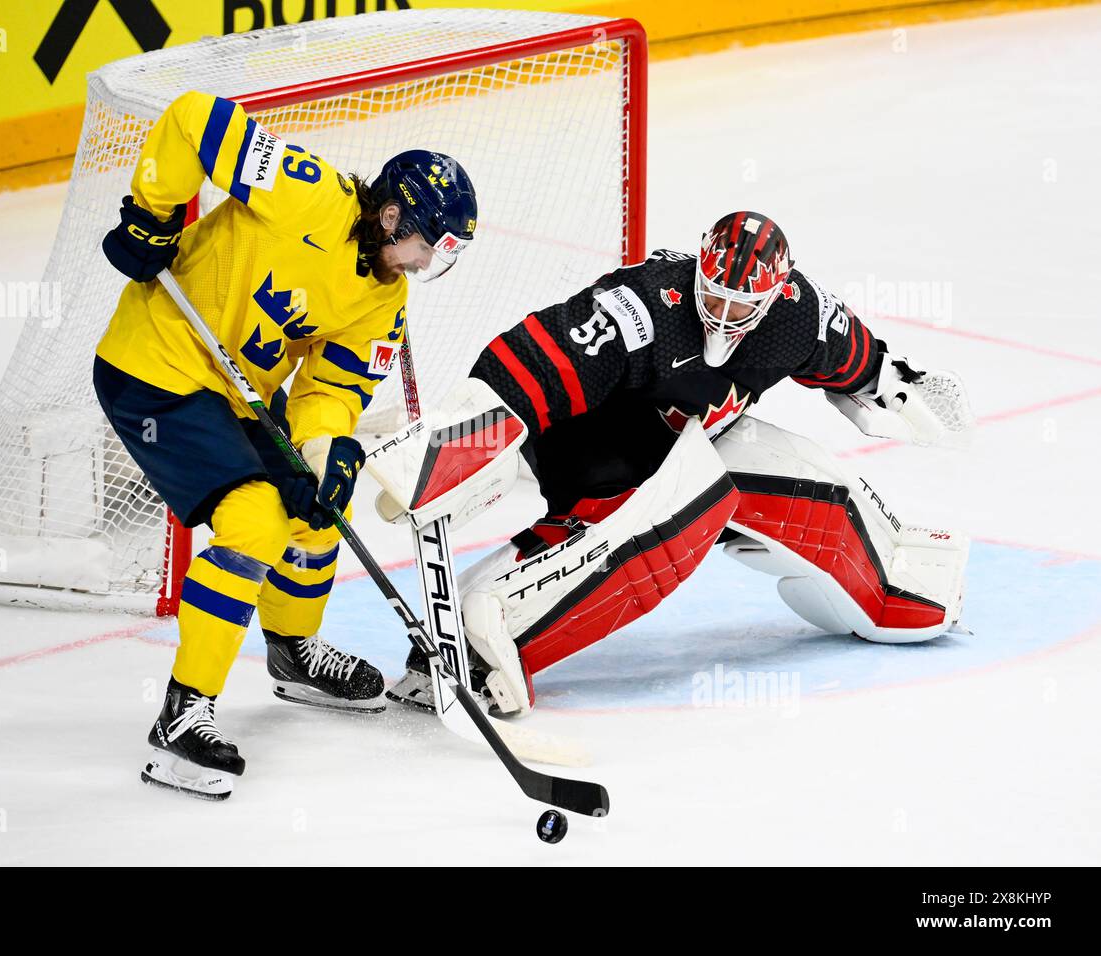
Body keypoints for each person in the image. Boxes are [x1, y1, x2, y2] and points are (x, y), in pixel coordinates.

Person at [383, 211, 972, 716]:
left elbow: (857, 359)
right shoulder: (645, 306)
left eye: (741, 304)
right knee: (683, 512)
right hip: (587, 434)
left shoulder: (799, 316)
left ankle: (892, 578)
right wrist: (448, 449)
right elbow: (537, 360)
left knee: (812, 489)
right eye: (712, 293)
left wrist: (900, 387)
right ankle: (472, 637)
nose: (721, 312)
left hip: (683, 436)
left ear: (773, 298)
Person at [92, 90, 477, 798]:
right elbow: (196, 120)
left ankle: (293, 651)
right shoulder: (307, 194)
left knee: (323, 508)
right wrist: (152, 216)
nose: (424, 264)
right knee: (256, 520)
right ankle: (181, 717)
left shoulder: (385, 298)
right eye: (425, 246)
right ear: (392, 214)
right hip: (153, 369)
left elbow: (328, 392)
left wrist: (326, 453)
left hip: (235, 395)